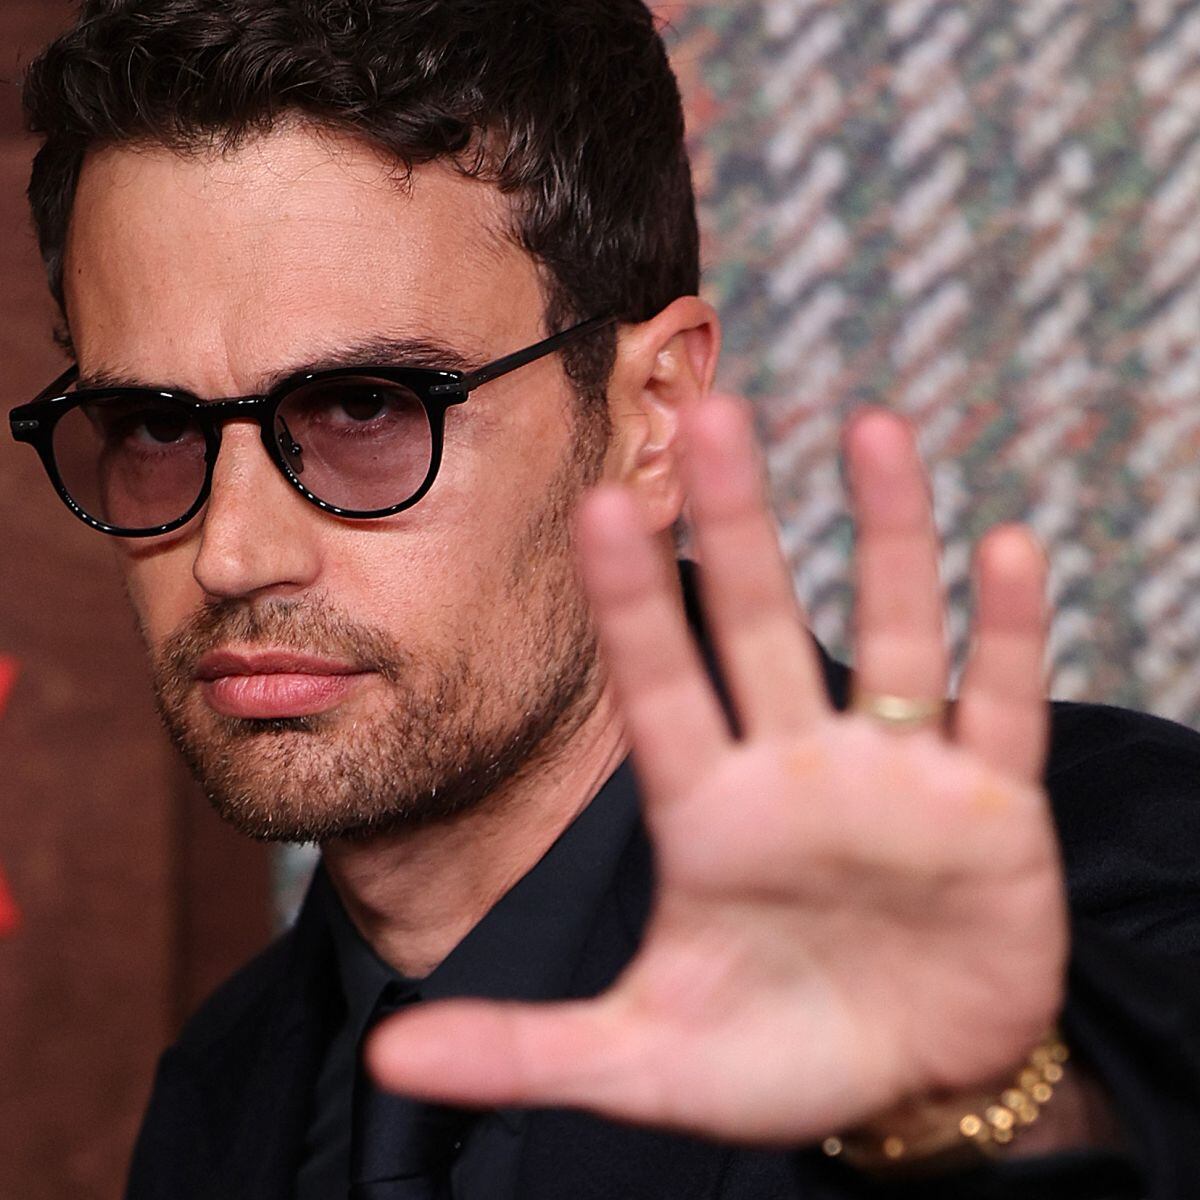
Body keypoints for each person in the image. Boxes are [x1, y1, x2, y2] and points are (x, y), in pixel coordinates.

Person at [9, 1, 1199, 1197]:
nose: (231, 551)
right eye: (156, 426)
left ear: (652, 416)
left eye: (366, 408)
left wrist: (981, 1109)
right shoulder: (221, 1100)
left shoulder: (1115, 870)